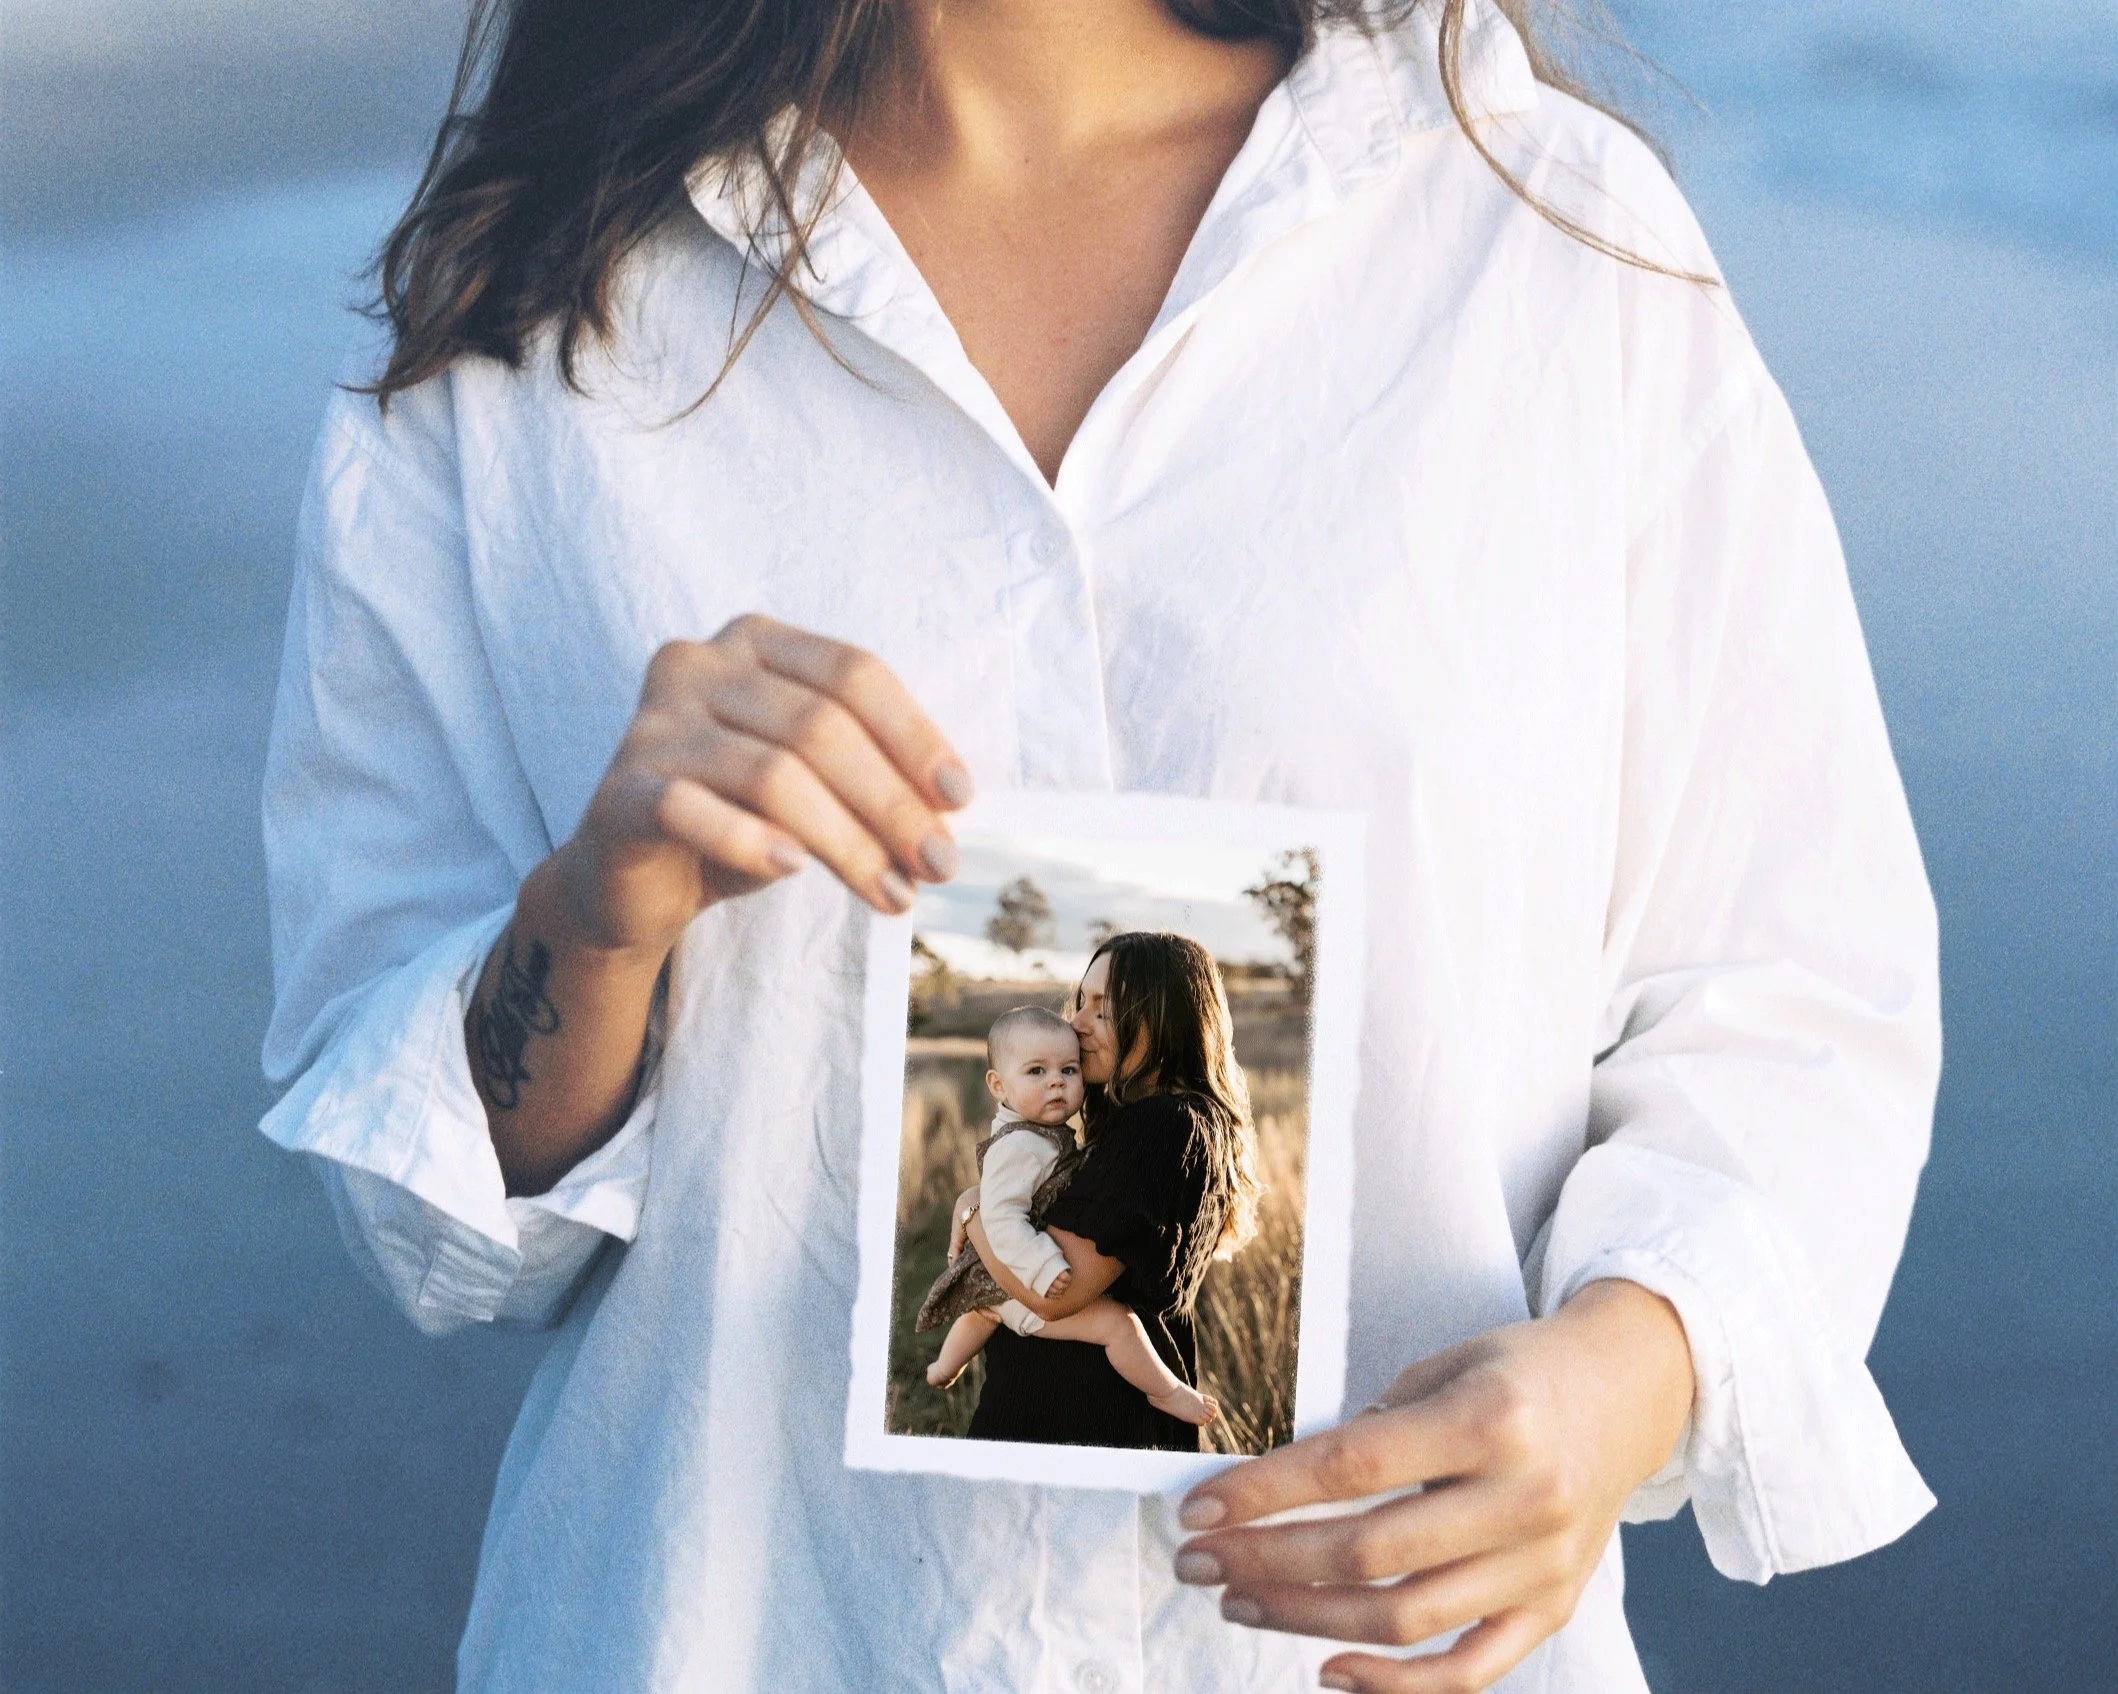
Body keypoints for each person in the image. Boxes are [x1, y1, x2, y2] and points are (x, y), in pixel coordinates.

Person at [257, 0, 1940, 1688]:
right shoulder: (532, 312)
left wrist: (1626, 1372)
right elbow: (433, 1223)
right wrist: (596, 916)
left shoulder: (1540, 241)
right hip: (745, 1628)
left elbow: (1783, 985)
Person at [963, 933, 1260, 1451]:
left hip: (1088, 1426)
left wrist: (972, 1212)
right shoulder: (1148, 1121)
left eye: (1104, 1008)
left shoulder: (1165, 1125)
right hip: (1077, 1423)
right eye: (1082, 1001)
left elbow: (1057, 1296)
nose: (1077, 1024)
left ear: (1163, 1019)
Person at [916, 1004, 1220, 1427]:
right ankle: (1166, 1392)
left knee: (983, 1309)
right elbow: (1000, 1218)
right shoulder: (1023, 1145)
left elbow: (988, 1208)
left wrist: (970, 1205)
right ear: (998, 1086)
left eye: (1069, 1070)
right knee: (1117, 1324)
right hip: (1029, 1284)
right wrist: (1043, 1265)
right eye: (1036, 1071)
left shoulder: (1041, 1134)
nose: (1056, 1080)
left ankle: (942, 1369)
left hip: (1004, 1283)